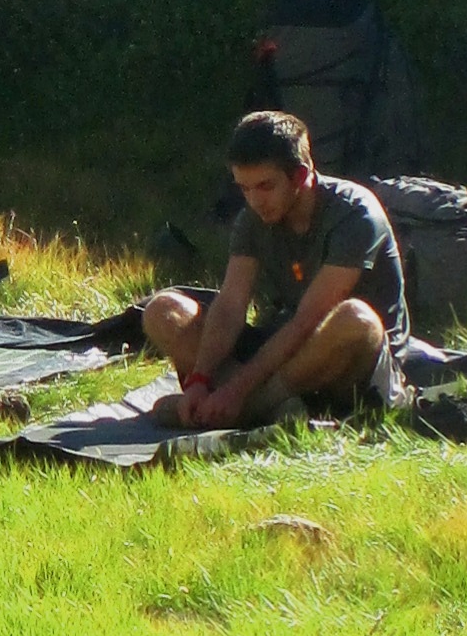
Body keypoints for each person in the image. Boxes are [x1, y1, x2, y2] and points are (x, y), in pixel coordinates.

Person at [142, 108, 407, 430]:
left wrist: (236, 390)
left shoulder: (355, 214)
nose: (255, 200)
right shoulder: (252, 220)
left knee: (356, 318)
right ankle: (261, 406)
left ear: (301, 175)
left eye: (266, 186)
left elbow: (308, 321)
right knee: (163, 309)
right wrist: (200, 377)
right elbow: (230, 306)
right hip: (283, 351)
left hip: (346, 357)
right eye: (244, 188)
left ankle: (248, 408)